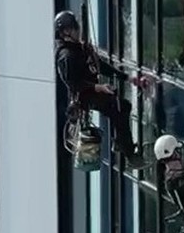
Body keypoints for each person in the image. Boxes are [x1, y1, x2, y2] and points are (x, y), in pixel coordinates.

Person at [55, 10, 145, 168]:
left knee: (123, 106)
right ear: (66, 32)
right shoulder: (66, 55)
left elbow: (100, 66)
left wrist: (128, 78)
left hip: (93, 91)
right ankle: (130, 155)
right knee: (117, 107)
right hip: (83, 96)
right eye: (75, 28)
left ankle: (120, 142)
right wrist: (98, 87)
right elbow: (73, 83)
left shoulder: (80, 48)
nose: (79, 30)